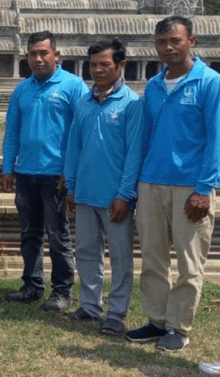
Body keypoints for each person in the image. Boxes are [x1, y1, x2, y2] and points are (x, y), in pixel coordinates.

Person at [125, 16, 220, 352]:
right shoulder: (152, 86)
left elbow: (216, 139)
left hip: (190, 186)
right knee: (152, 257)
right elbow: (145, 138)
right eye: (162, 42)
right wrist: (136, 182)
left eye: (175, 41)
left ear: (191, 41)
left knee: (189, 261)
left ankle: (178, 327)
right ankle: (155, 320)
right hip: (151, 182)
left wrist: (204, 188)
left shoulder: (209, 83)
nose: (168, 48)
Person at [64, 39, 147, 335]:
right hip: (85, 192)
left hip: (116, 197)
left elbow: (135, 153)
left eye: (104, 64)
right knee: (86, 251)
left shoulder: (133, 104)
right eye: (93, 65)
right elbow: (74, 148)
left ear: (120, 66)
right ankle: (89, 305)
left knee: (120, 256)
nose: (97, 70)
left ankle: (116, 312)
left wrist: (125, 194)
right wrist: (71, 187)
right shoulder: (83, 102)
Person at [1, 31, 85, 312]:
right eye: (32, 54)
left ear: (56, 55)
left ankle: (62, 291)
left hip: (56, 175)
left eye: (43, 53)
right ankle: (32, 285)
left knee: (58, 235)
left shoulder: (73, 87)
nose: (37, 59)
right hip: (25, 172)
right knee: (30, 233)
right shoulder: (22, 89)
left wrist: (69, 173)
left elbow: (80, 133)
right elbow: (12, 131)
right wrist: (6, 168)